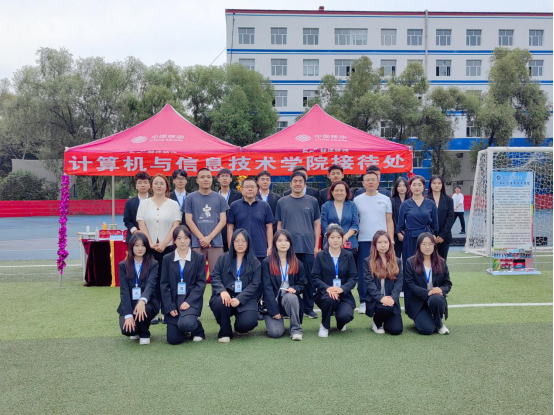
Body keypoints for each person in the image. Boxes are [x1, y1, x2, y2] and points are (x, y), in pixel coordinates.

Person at [137, 174, 182, 324]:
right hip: (149, 249)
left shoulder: (173, 204)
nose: (158, 186)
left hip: (168, 248)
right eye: (156, 183)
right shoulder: (144, 204)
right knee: (151, 279)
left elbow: (176, 225)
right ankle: (153, 311)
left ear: (166, 187)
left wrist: (164, 243)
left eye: (162, 183)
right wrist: (149, 242)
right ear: (151, 186)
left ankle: (168, 310)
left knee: (168, 280)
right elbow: (142, 224)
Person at [276, 171, 321, 319]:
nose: (297, 184)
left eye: (300, 181)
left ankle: (308, 308)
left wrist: (316, 246)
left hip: (307, 246)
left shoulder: (312, 201)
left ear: (304, 184)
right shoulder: (282, 202)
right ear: (290, 184)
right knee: (288, 277)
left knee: (308, 278)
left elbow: (316, 224)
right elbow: (279, 225)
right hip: (288, 247)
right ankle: (285, 307)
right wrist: (278, 244)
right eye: (295, 181)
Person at [209, 229, 261, 343]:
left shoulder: (255, 262)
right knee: (219, 302)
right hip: (226, 296)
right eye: (237, 241)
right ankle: (225, 331)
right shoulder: (223, 258)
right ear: (232, 242)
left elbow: (254, 284)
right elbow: (215, 276)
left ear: (248, 243)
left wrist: (239, 299)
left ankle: (239, 327)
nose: (240, 244)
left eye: (243, 241)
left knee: (247, 323)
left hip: (245, 299)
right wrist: (222, 291)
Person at [354, 170, 394, 314]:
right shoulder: (357, 200)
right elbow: (355, 220)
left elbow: (389, 221)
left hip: (382, 241)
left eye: (373, 179)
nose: (370, 182)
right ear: (363, 183)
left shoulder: (385, 199)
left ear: (378, 182)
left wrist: (391, 240)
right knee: (364, 271)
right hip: (364, 240)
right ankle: (363, 301)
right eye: (367, 180)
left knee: (383, 269)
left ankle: (382, 297)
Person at [160, 225, 206, 345]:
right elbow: (164, 284)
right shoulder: (167, 258)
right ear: (174, 240)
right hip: (173, 302)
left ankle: (198, 329)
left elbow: (201, 283)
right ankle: (183, 326)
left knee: (186, 324)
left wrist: (189, 301)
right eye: (179, 238)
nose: (182, 241)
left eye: (185, 238)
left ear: (190, 239)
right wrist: (170, 307)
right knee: (174, 340)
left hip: (191, 301)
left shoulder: (199, 257)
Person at [312, 224, 357, 338]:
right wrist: (328, 289)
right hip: (325, 295)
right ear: (327, 238)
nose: (335, 240)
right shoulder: (321, 255)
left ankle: (340, 323)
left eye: (338, 237)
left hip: (344, 295)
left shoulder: (349, 255)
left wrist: (342, 289)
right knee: (330, 299)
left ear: (343, 238)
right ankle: (324, 325)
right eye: (332, 237)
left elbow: (353, 278)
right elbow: (315, 277)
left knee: (345, 316)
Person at [262, 230, 307, 341]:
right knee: (276, 333)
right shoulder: (267, 263)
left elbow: (302, 283)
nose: (283, 243)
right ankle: (277, 318)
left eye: (286, 240)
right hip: (273, 302)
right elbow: (266, 288)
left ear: (290, 243)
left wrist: (295, 288)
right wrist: (273, 310)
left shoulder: (297, 263)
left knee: (290, 297)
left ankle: (296, 330)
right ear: (275, 243)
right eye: (280, 240)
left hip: (289, 300)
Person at [404, 233, 452, 335]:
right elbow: (410, 284)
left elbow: (447, 283)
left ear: (434, 245)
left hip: (435, 299)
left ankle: (439, 324)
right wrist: (427, 292)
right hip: (418, 302)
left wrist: (441, 289)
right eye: (424, 244)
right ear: (419, 245)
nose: (427, 247)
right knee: (427, 330)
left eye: (430, 244)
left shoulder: (441, 262)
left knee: (436, 298)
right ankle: (420, 318)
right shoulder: (410, 262)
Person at [185, 168, 229, 276]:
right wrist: (202, 238)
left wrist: (209, 238)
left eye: (208, 177)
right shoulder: (190, 198)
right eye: (202, 177)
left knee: (217, 275)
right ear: (197, 180)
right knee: (195, 276)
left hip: (216, 243)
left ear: (212, 180)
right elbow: (188, 220)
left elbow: (223, 221)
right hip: (196, 243)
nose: (206, 179)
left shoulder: (220, 198)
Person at [117, 233, 159, 345]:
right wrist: (128, 315)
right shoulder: (123, 265)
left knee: (144, 309)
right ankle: (136, 329)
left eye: (143, 245)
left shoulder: (153, 264)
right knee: (128, 330)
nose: (140, 248)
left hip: (147, 303)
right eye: (137, 245)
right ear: (131, 247)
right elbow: (124, 291)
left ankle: (144, 333)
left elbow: (150, 285)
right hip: (130, 303)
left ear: (147, 247)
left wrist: (142, 300)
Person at [396, 175, 439, 276]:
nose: (417, 187)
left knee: (427, 263)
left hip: (426, 238)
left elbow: (435, 224)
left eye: (419, 185)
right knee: (410, 264)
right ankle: (408, 285)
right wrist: (402, 234)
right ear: (410, 187)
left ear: (424, 187)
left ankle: (427, 284)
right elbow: (400, 225)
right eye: (414, 185)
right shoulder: (405, 204)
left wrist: (433, 235)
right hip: (410, 239)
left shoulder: (430, 203)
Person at [363, 231, 403, 335]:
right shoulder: (368, 261)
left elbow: (399, 282)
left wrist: (393, 298)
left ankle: (386, 318)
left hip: (391, 300)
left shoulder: (397, 261)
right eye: (379, 242)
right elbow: (369, 283)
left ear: (390, 243)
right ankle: (377, 322)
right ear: (374, 244)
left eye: (385, 242)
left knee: (396, 330)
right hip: (376, 300)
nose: (383, 245)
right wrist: (381, 298)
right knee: (384, 308)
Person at [227, 177, 274, 264]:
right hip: (240, 250)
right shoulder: (234, 205)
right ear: (242, 189)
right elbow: (230, 228)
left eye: (252, 187)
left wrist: (270, 247)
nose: (250, 189)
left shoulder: (265, 206)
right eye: (247, 187)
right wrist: (231, 247)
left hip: (260, 250)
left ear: (257, 189)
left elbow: (269, 227)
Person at [321, 181, 359, 254]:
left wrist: (344, 237)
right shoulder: (325, 206)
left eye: (341, 190)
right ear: (332, 192)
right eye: (336, 190)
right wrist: (334, 238)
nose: (339, 193)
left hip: (349, 243)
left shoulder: (352, 205)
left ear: (346, 192)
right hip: (331, 244)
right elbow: (324, 225)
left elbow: (355, 225)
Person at [428, 176, 455, 261]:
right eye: (434, 183)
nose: (436, 185)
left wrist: (442, 235)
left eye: (439, 183)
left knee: (442, 262)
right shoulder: (426, 200)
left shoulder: (448, 200)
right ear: (430, 185)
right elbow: (425, 219)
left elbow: (450, 218)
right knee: (429, 261)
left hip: (444, 237)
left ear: (442, 185)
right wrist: (432, 234)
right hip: (428, 237)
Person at [217, 168, 242, 252]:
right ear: (218, 179)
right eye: (222, 176)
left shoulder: (238, 195)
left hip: (233, 230)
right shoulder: (214, 195)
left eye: (227, 176)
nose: (224, 178)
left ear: (231, 179)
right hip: (217, 232)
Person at [392, 177, 411, 260]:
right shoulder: (392, 201)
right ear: (396, 188)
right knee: (396, 258)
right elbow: (392, 218)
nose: (402, 188)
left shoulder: (411, 200)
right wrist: (398, 232)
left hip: (409, 233)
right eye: (399, 186)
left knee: (409, 258)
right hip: (396, 235)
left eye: (404, 186)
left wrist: (406, 231)